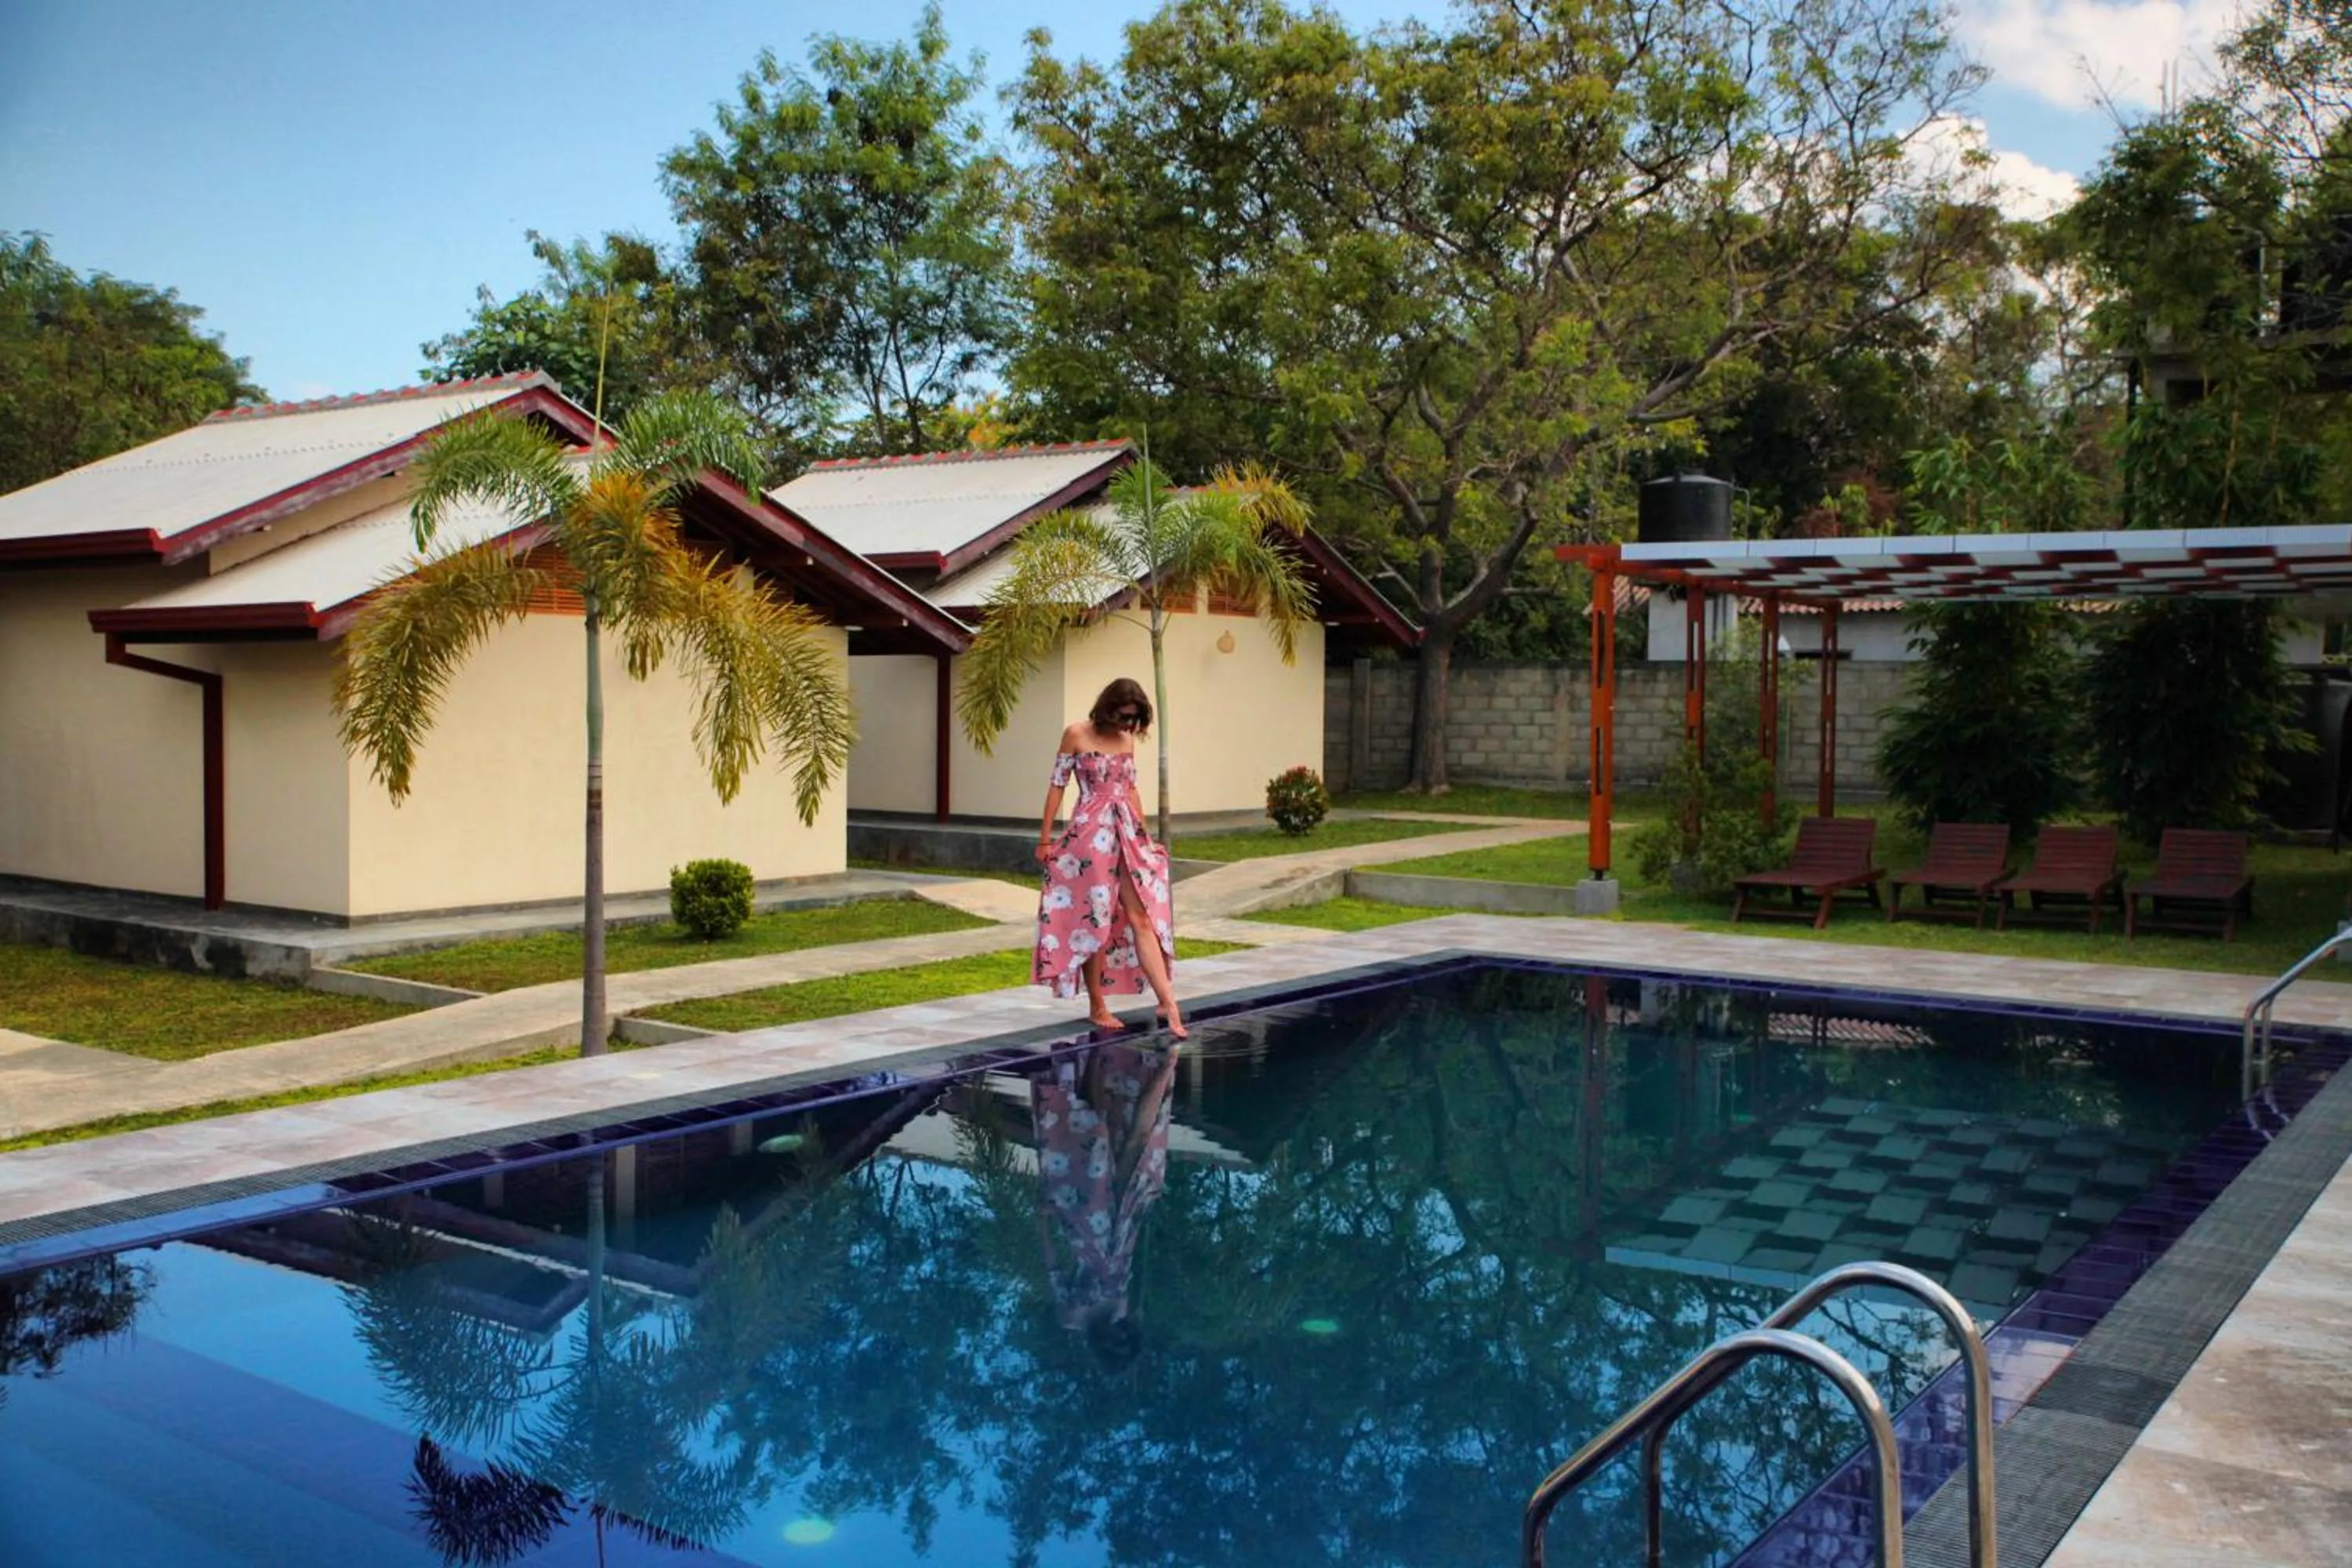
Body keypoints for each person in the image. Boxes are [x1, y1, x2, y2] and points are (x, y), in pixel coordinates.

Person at [1033, 677, 1185, 1038]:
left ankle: (1169, 1002)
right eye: (1123, 715)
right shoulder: (1076, 734)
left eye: (1134, 718)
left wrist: (1146, 839)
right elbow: (1057, 785)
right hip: (1090, 835)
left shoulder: (1127, 740)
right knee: (1096, 920)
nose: (1127, 724)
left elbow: (1130, 790)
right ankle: (1097, 1005)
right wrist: (1045, 840)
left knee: (1141, 916)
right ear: (1108, 706)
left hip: (1126, 832)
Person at [1031, 1040, 1178, 1367]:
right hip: (1124, 1231)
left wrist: (1042, 1218)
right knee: (1136, 1142)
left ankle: (1096, 1053)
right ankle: (1168, 1065)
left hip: (1086, 1226)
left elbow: (1054, 1268)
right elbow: (1130, 1262)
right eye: (1126, 1338)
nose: (1120, 1334)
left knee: (1095, 1136)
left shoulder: (1071, 1317)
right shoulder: (1122, 1308)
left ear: (1102, 1347)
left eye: (1117, 1342)